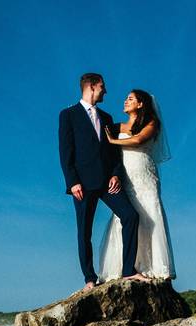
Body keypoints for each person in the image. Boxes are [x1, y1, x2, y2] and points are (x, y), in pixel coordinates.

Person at [58, 73, 149, 293]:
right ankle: (90, 278)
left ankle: (129, 269)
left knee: (130, 216)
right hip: (82, 184)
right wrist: (72, 182)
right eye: (102, 87)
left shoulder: (107, 118)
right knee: (84, 231)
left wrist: (116, 174)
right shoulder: (68, 115)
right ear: (91, 86)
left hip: (108, 182)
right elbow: (65, 151)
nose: (105, 91)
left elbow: (114, 154)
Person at [99, 89, 176, 282]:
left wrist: (112, 141)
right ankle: (123, 267)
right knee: (126, 217)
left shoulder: (152, 123)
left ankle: (153, 266)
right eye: (125, 98)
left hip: (145, 176)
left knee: (149, 214)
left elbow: (139, 139)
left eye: (130, 99)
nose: (125, 101)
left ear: (140, 104)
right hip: (126, 177)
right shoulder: (117, 126)